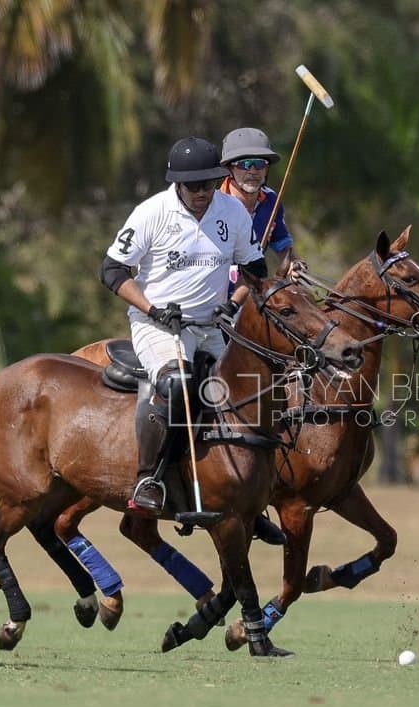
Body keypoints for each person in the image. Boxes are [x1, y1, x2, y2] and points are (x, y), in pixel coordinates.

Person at [100, 136, 267, 514]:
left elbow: (255, 270)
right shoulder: (151, 213)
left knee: (246, 389)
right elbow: (111, 271)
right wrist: (154, 308)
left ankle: (248, 496)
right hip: (159, 326)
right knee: (177, 384)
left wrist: (232, 304)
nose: (202, 193)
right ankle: (150, 479)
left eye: (208, 184)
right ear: (177, 183)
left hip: (213, 325)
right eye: (193, 186)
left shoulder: (234, 213)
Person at [218, 127, 295, 268]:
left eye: (260, 164)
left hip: (252, 285)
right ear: (229, 169)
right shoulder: (213, 206)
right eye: (244, 164)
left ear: (266, 169)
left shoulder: (272, 200)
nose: (253, 171)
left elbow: (282, 244)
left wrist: (293, 264)